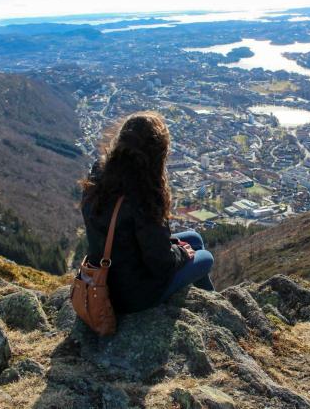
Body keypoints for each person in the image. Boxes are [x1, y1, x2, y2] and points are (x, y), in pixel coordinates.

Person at [79, 111, 215, 314]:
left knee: (194, 238)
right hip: (133, 296)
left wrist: (179, 249)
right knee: (205, 257)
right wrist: (181, 252)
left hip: (105, 276)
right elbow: (161, 264)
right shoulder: (143, 194)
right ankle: (212, 310)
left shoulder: (100, 174)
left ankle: (209, 305)